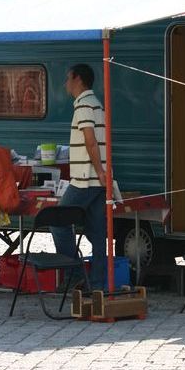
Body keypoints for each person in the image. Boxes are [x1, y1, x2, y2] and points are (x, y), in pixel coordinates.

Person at [52, 64, 108, 290]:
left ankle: (75, 276)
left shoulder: (83, 105)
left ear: (77, 79)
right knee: (97, 235)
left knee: (57, 222)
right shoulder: (96, 104)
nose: (65, 83)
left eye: (67, 78)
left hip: (85, 179)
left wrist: (100, 171)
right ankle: (97, 285)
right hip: (97, 181)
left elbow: (90, 141)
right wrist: (103, 172)